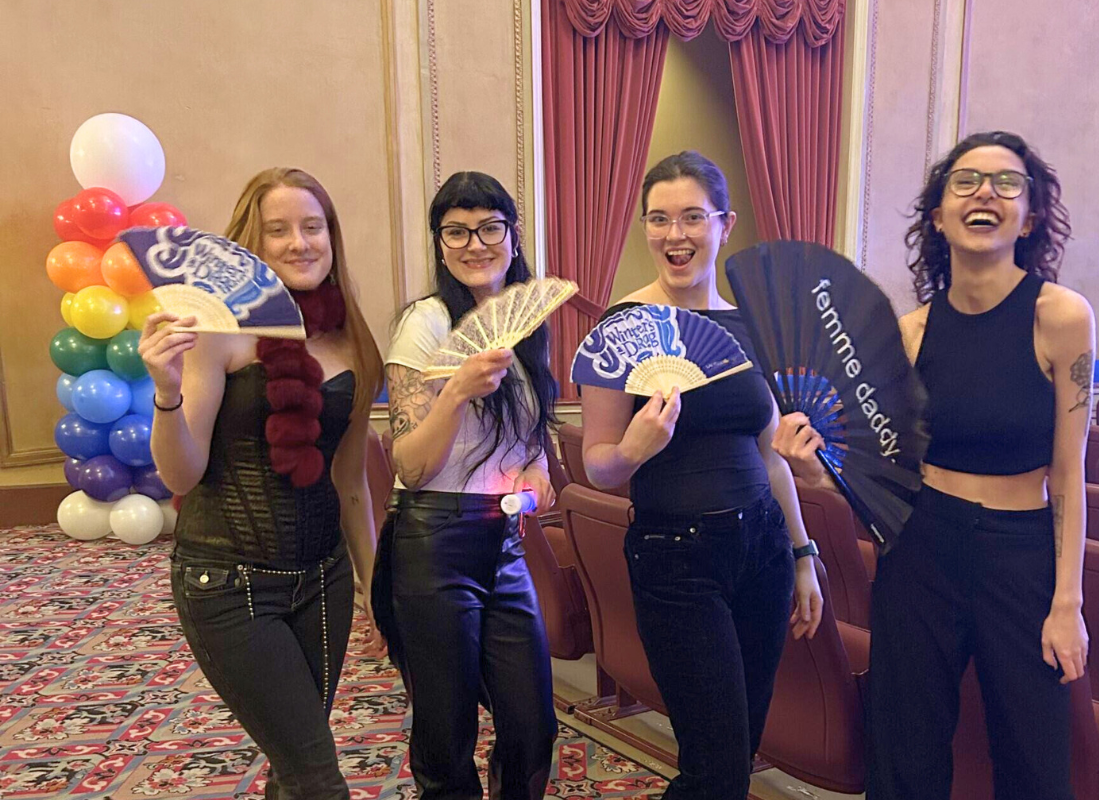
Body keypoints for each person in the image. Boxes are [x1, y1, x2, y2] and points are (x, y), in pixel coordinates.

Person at [776, 131, 1091, 800]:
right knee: (904, 754)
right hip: (919, 551)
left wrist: (1068, 601)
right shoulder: (910, 332)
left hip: (1022, 555)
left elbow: (1068, 474)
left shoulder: (1060, 318)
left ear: (1030, 216)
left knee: (1036, 759)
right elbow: (885, 475)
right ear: (938, 216)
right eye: (965, 182)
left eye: (1007, 183)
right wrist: (815, 470)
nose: (985, 193)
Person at [580, 151, 827, 799]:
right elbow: (599, 464)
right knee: (712, 769)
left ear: (725, 224)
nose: (674, 234)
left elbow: (770, 452)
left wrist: (801, 554)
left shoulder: (751, 327)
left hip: (764, 553)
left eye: (693, 217)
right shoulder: (623, 328)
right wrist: (635, 447)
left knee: (737, 753)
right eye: (659, 219)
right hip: (675, 562)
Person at [139, 168, 385, 799]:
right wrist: (167, 392)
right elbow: (181, 473)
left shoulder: (351, 338)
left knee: (292, 762)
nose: (301, 243)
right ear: (252, 242)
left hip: (322, 578)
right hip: (227, 582)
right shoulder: (218, 332)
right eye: (279, 230)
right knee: (317, 776)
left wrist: (372, 582)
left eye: (314, 227)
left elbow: (351, 480)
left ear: (332, 237)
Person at [374, 171, 558, 800]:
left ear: (511, 235)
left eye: (489, 227)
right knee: (445, 731)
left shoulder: (528, 326)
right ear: (440, 242)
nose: (474, 243)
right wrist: (453, 393)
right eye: (456, 231)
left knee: (533, 725)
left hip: (502, 541)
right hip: (432, 542)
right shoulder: (425, 324)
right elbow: (411, 466)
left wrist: (536, 473)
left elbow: (530, 451)